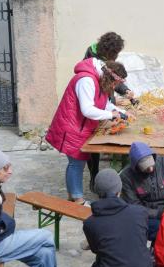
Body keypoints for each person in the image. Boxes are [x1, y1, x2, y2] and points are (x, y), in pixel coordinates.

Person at [45, 59, 128, 204]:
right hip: (72, 127)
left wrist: (120, 111)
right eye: (115, 84)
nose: (115, 87)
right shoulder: (86, 81)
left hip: (81, 127)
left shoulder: (99, 80)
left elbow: (104, 103)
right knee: (76, 163)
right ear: (109, 78)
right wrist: (111, 115)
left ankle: (73, 196)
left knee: (78, 162)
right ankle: (77, 199)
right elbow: (87, 109)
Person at [83, 168, 152, 267]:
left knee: (97, 266)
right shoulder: (140, 213)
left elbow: (96, 249)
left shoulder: (90, 223)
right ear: (119, 191)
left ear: (97, 192)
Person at [83, 31, 136, 191]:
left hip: (107, 101)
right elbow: (107, 78)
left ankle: (118, 176)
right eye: (116, 53)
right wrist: (111, 109)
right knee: (94, 143)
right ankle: (95, 177)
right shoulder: (92, 58)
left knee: (112, 134)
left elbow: (113, 78)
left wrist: (125, 90)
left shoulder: (107, 58)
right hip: (96, 101)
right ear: (109, 52)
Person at [120, 141, 164, 242]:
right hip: (148, 214)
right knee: (159, 230)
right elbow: (134, 205)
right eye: (145, 168)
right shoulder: (127, 177)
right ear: (136, 167)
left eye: (152, 166)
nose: (150, 169)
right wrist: (157, 213)